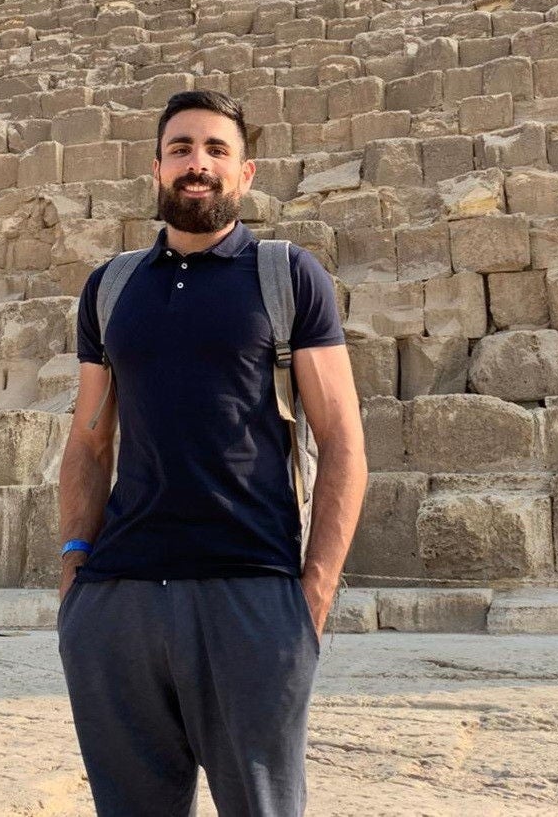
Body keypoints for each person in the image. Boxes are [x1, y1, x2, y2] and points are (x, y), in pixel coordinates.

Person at [56, 89, 368, 816]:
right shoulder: (111, 287)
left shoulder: (288, 277)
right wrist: (75, 572)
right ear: (156, 167)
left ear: (246, 172)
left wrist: (311, 596)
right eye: (181, 149)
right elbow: (88, 438)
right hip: (118, 602)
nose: (197, 165)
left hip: (250, 592)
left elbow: (344, 440)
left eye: (215, 150)